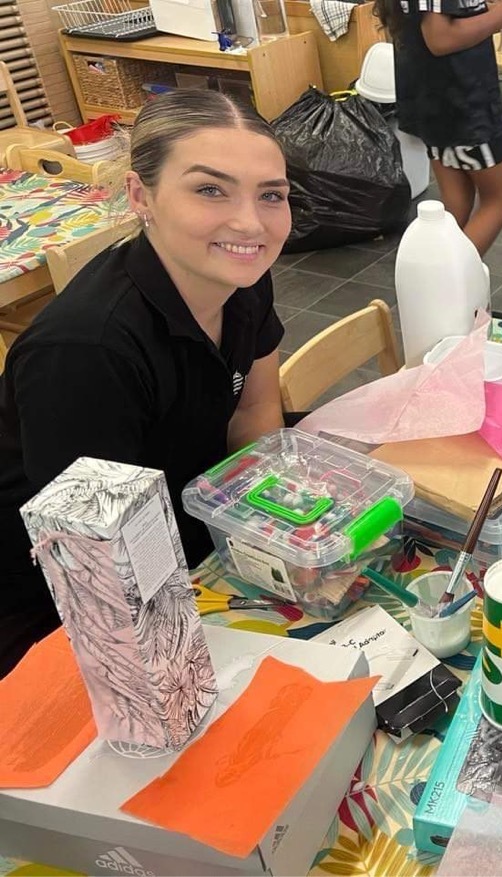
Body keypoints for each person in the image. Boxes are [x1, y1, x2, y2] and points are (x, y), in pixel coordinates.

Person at [0, 90, 290, 677]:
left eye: (271, 195)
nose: (250, 222)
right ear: (141, 196)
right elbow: (97, 563)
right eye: (210, 189)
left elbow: (254, 412)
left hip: (185, 518)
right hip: (56, 600)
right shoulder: (87, 351)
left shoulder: (243, 278)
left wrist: (270, 530)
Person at [373, 0, 502, 256]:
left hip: (437, 98)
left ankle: (435, 273)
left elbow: (451, 17)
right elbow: (440, 38)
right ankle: (446, 277)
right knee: (499, 199)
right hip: (462, 101)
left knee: (456, 204)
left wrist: (498, 15)